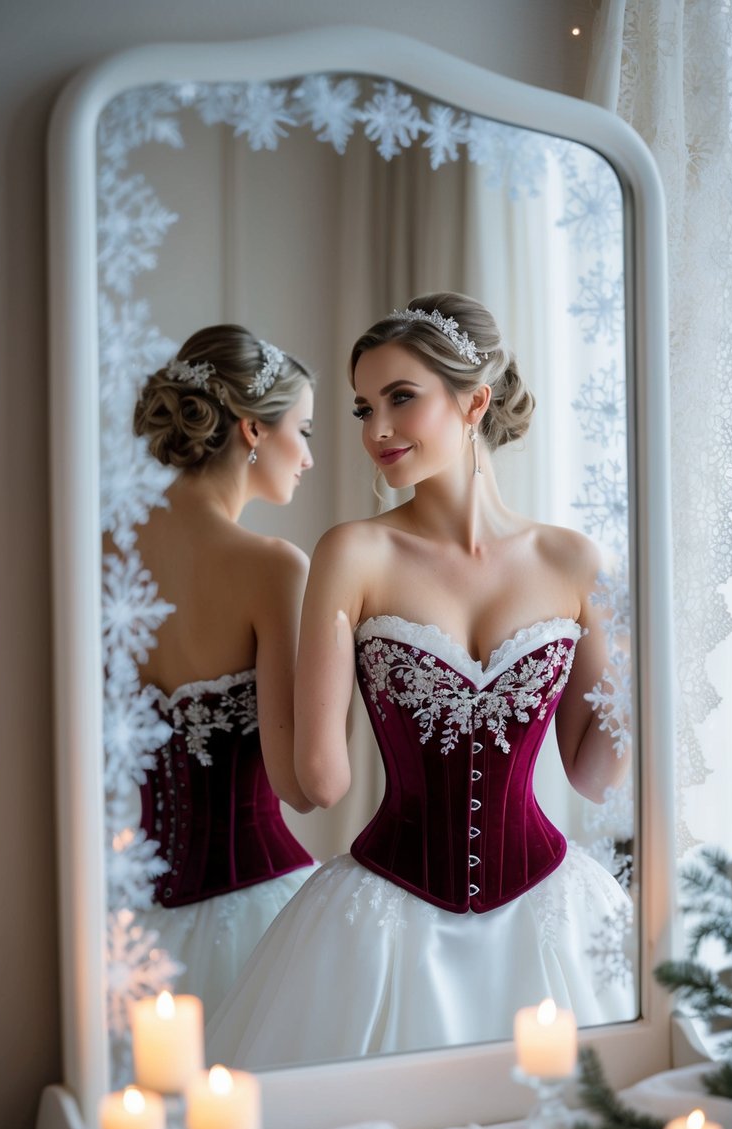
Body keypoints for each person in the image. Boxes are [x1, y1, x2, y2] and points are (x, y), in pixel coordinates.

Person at [206, 294, 634, 1067]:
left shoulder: (578, 562)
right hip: (384, 921)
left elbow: (596, 776)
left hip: (553, 918)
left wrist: (641, 646)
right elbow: (321, 782)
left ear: (475, 401)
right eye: (363, 407)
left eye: (401, 399)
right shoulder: (352, 551)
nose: (375, 431)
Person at [121, 323, 319, 1015]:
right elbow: (303, 787)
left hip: (131, 927)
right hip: (259, 913)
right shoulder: (273, 568)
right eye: (305, 429)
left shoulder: (102, 551)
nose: (309, 457)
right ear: (252, 429)